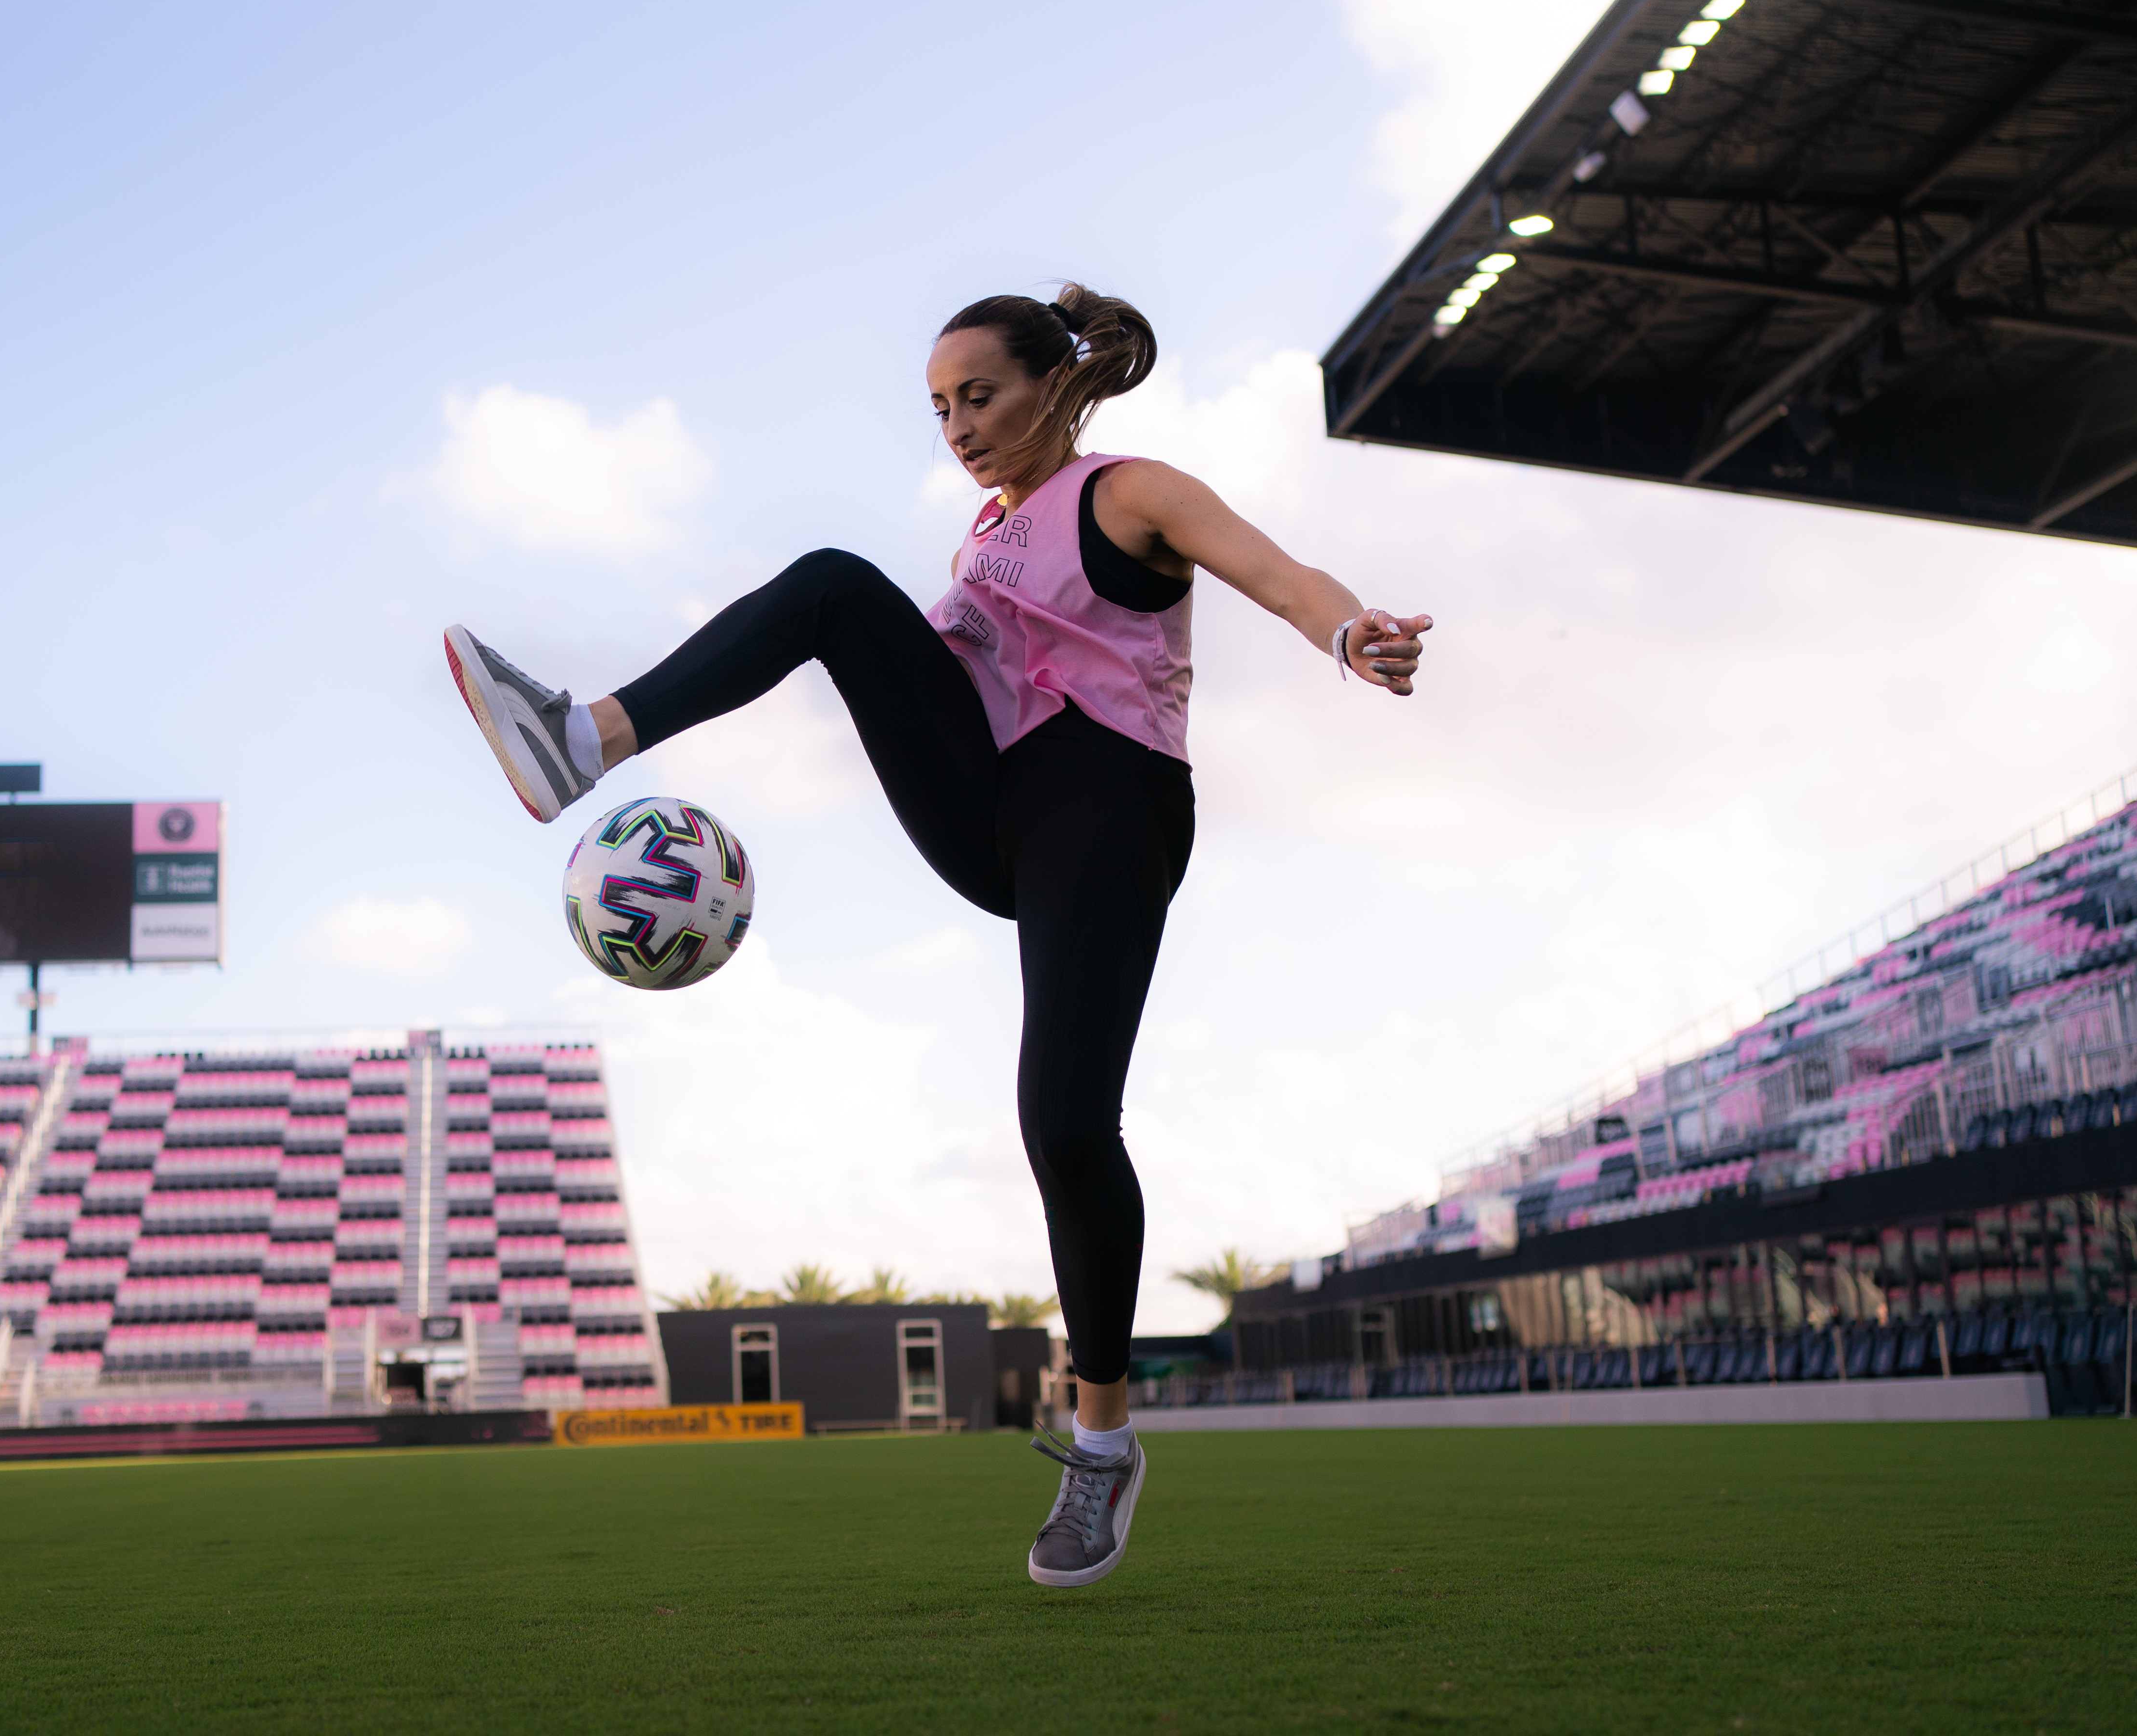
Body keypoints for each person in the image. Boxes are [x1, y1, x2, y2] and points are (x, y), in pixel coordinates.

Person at [443, 285, 1429, 1587]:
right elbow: (934, 675)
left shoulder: (1130, 492)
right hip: (996, 806)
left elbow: (1278, 571)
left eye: (980, 396)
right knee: (838, 592)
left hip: (1109, 804)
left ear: (1053, 388)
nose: (957, 427)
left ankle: (1103, 1446)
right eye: (938, 408)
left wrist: (1349, 633)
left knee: (1065, 1126)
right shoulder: (981, 543)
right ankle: (584, 740)